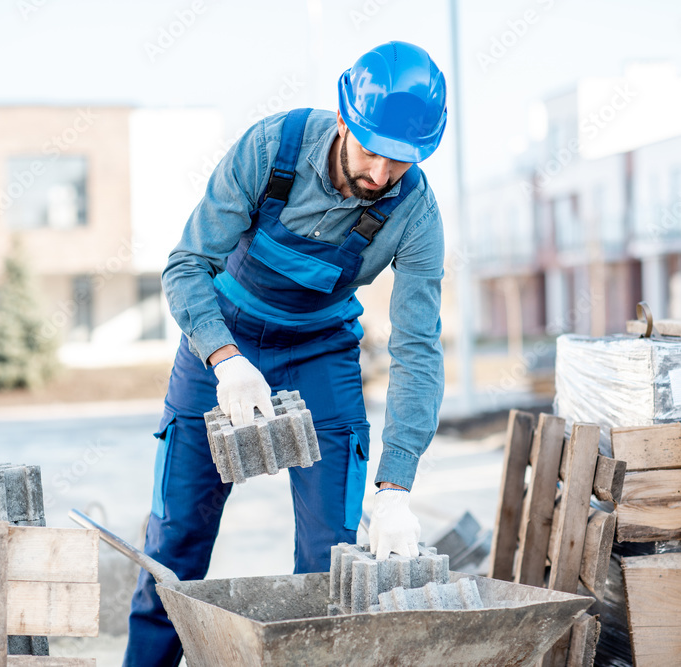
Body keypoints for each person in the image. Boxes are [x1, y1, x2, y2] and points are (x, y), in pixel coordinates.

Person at [125, 41, 447, 667]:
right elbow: (187, 265)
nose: (381, 174)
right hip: (222, 342)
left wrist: (397, 486)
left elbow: (417, 350)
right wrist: (224, 357)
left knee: (332, 559)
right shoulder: (270, 149)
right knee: (175, 547)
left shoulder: (416, 215)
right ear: (344, 118)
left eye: (401, 161)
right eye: (371, 150)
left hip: (319, 353)